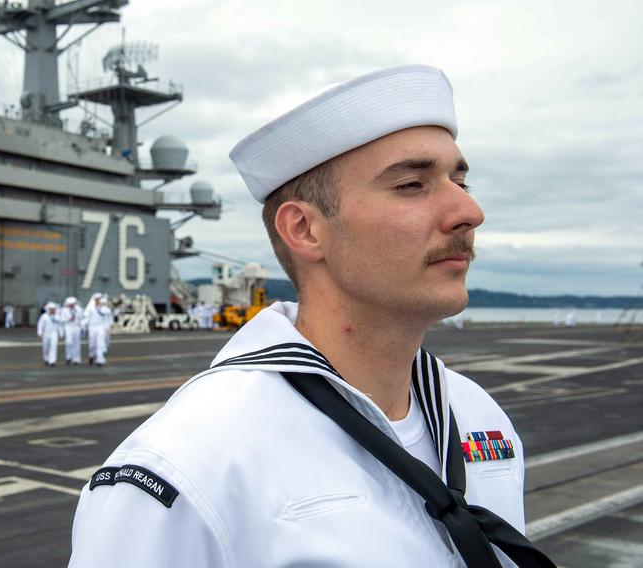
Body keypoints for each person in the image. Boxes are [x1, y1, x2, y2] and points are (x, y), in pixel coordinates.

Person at [69, 65, 554, 567]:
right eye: (412, 184)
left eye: (460, 179)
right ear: (303, 229)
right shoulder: (188, 468)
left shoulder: (478, 416)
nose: (468, 211)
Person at [83, 295, 113, 366]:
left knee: (100, 344)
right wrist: (82, 325)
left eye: (99, 299)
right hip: (92, 327)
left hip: (100, 327)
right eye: (96, 299)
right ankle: (91, 355)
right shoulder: (90, 308)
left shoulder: (104, 309)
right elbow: (87, 318)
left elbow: (107, 314)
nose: (98, 301)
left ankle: (100, 360)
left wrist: (107, 328)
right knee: (92, 345)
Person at [60, 297, 83, 365]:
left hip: (76, 327)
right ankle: (68, 357)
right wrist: (68, 319)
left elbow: (82, 318)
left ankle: (76, 359)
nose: (72, 305)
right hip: (68, 327)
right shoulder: (64, 310)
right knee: (69, 342)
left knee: (76, 343)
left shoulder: (79, 309)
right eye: (70, 304)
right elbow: (61, 320)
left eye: (73, 304)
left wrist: (81, 325)